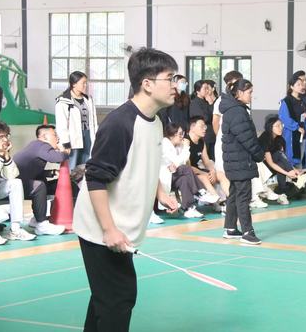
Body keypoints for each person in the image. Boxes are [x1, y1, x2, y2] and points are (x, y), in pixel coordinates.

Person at [73, 48, 179, 331]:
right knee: (118, 299)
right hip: (100, 229)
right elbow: (95, 178)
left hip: (122, 229)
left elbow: (146, 162)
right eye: (170, 78)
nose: (175, 86)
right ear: (147, 84)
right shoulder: (120, 123)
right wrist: (108, 229)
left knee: (105, 299)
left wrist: (161, 193)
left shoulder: (155, 121)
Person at [219, 79, 265, 245]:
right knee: (243, 196)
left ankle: (230, 228)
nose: (251, 95)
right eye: (249, 92)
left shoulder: (232, 109)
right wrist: (259, 155)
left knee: (234, 194)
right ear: (238, 93)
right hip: (240, 161)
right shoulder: (238, 112)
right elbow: (247, 139)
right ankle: (247, 232)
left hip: (234, 160)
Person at [13, 124, 69, 236]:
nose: (57, 138)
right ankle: (42, 225)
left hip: (20, 183)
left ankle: (36, 219)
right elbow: (57, 158)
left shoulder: (35, 146)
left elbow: (31, 170)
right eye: (54, 135)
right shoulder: (41, 145)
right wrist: (65, 151)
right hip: (14, 187)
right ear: (44, 137)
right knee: (39, 186)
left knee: (50, 184)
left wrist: (52, 172)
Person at [0, 120, 36, 245]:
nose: (5, 140)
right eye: (0, 137)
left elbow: (12, 175)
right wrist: (1, 154)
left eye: (6, 136)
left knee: (15, 182)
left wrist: (5, 154)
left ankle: (15, 229)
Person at [258, 115, 306, 203]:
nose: (281, 128)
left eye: (281, 125)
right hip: (262, 168)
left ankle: (282, 189)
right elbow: (270, 163)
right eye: (277, 126)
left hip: (275, 165)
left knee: (281, 162)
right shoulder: (265, 138)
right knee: (278, 154)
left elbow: (284, 158)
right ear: (270, 127)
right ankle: (297, 178)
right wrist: (288, 173)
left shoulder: (280, 139)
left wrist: (294, 169)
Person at [55, 71, 98, 170]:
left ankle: (83, 179)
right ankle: (71, 180)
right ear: (74, 84)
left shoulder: (88, 99)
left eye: (86, 83)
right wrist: (65, 143)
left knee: (86, 161)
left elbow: (93, 120)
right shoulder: (63, 101)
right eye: (83, 83)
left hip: (88, 134)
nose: (85, 85)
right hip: (73, 137)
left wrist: (96, 136)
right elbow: (61, 124)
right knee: (72, 163)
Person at [213, 71, 243, 200]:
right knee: (222, 171)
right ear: (230, 84)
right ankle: (228, 200)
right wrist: (222, 138)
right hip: (224, 140)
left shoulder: (241, 100)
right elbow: (215, 122)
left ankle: (235, 199)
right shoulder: (221, 100)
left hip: (237, 142)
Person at [183, 116, 223, 204]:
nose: (205, 129)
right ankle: (218, 202)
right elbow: (187, 167)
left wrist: (212, 171)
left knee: (219, 175)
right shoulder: (185, 142)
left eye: (205, 126)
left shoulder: (201, 142)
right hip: (188, 173)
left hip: (198, 170)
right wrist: (204, 173)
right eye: (201, 126)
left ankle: (228, 199)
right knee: (205, 177)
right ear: (192, 127)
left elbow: (207, 161)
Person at [279, 74, 306, 169]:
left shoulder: (303, 102)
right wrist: (297, 127)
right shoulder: (286, 101)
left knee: (302, 159)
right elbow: (284, 118)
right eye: (298, 84)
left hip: (303, 134)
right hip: (291, 135)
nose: (301, 86)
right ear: (292, 87)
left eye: (302, 84)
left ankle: (300, 177)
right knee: (292, 161)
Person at [189, 80, 217, 160]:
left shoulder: (206, 101)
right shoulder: (195, 103)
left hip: (212, 134)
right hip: (205, 136)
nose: (207, 91)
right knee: (205, 158)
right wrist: (210, 104)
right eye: (205, 88)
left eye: (208, 88)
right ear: (198, 91)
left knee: (213, 159)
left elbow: (216, 115)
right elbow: (205, 118)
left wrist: (210, 103)